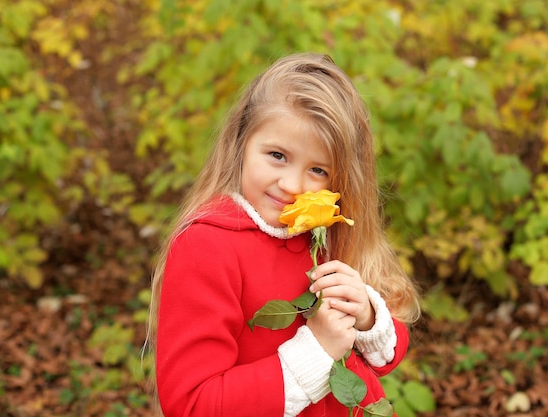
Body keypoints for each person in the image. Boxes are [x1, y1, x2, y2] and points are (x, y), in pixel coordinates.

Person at [147, 52, 421, 417]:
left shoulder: (325, 230)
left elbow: (389, 353)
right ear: (241, 143)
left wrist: (368, 316)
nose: (292, 185)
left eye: (318, 170)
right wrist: (317, 351)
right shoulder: (207, 246)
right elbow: (192, 405)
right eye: (277, 155)